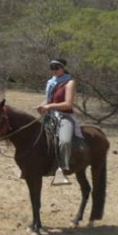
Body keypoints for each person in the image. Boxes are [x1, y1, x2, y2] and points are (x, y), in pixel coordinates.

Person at [37, 58, 77, 186]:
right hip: (50, 116)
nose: (54, 70)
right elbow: (48, 100)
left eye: (56, 67)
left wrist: (50, 106)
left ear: (63, 68)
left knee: (65, 141)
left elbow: (68, 104)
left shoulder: (70, 83)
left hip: (64, 116)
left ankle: (63, 171)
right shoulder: (51, 82)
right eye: (52, 68)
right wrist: (42, 105)